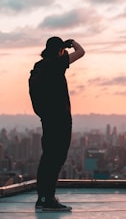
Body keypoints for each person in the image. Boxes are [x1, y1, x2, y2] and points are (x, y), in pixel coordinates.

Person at [29, 36, 85, 212]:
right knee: (56, 159)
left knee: (48, 158)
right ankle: (49, 199)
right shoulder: (56, 64)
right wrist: (72, 42)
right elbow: (81, 52)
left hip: (47, 119)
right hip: (60, 119)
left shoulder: (39, 66)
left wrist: (62, 49)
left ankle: (43, 198)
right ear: (59, 50)